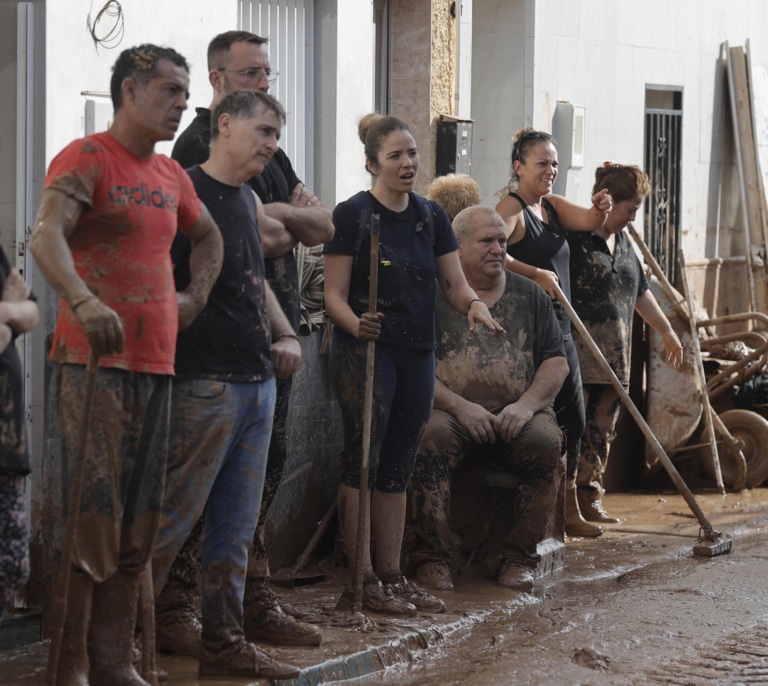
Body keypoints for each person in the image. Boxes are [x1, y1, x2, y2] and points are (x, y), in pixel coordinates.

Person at [30, 44, 223, 686]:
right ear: (131, 91)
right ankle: (74, 665)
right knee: (93, 513)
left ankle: (115, 662)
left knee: (139, 520)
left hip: (157, 365)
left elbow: (209, 236)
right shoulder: (89, 157)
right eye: (169, 90)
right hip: (92, 365)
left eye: (184, 92)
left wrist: (194, 295)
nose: (180, 104)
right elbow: (46, 235)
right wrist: (82, 299)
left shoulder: (173, 176)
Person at [159, 30, 332, 651]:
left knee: (258, 482)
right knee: (193, 491)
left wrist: (280, 219)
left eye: (267, 72)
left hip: (268, 343)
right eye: (251, 73)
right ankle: (173, 606)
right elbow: (264, 237)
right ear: (218, 86)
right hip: (208, 354)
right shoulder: (196, 153)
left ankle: (245, 604)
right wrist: (286, 216)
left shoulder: (265, 150)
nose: (264, 82)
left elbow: (319, 226)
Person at [323, 114, 505, 615]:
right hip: (367, 352)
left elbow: (453, 284)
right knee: (363, 460)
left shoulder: (430, 217)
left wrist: (473, 305)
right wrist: (356, 323)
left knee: (399, 462)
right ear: (371, 164)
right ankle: (358, 579)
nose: (408, 164)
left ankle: (390, 574)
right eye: (395, 156)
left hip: (416, 353)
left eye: (412, 154)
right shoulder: (353, 215)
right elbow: (332, 294)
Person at [151, 89, 301, 680]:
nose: (271, 145)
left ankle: (224, 644)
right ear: (226, 123)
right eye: (263, 131)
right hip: (202, 385)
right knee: (167, 526)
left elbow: (253, 275)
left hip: (257, 383)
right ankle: (116, 650)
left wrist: (286, 335)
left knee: (235, 533)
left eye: (276, 136)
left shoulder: (243, 199)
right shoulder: (180, 187)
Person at [410, 206, 568, 593]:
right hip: (451, 410)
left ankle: (515, 557)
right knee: (429, 439)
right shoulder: (433, 295)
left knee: (546, 444)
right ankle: (436, 556)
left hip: (518, 412)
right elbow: (415, 372)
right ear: (457, 247)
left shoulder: (529, 294)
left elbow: (556, 363)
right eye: (487, 241)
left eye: (502, 241)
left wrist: (526, 406)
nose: (498, 249)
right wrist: (461, 407)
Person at [495, 127, 612, 539]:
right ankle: (543, 515)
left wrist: (601, 206)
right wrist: (535, 274)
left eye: (555, 163)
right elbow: (494, 251)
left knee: (574, 421)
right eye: (542, 163)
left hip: (563, 327)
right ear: (518, 166)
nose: (551, 170)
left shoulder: (552, 207)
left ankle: (568, 508)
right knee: (548, 422)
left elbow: (593, 221)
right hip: (529, 335)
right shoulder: (511, 208)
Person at [567, 163, 684, 523]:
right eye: (629, 210)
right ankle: (564, 504)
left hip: (615, 361)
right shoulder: (576, 240)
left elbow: (640, 293)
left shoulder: (625, 244)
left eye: (636, 210)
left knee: (602, 433)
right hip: (578, 358)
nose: (632, 218)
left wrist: (666, 330)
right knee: (573, 430)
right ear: (608, 202)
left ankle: (590, 497)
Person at [0, 254, 39, 618]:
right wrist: (9, 311)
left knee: (13, 568)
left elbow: (32, 312)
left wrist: (11, 313)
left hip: (8, 447)